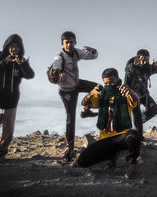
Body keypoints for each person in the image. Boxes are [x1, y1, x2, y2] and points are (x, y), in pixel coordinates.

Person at [77, 68, 141, 179]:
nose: (109, 85)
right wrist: (92, 93)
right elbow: (84, 103)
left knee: (134, 135)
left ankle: (131, 166)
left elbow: (135, 100)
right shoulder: (102, 95)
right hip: (105, 139)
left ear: (117, 78)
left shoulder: (124, 92)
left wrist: (130, 91)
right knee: (82, 161)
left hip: (122, 137)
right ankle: (112, 156)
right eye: (106, 83)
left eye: (111, 82)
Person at [0, 34, 35, 162]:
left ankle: (1, 153)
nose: (14, 49)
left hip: (12, 98)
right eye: (11, 46)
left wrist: (24, 65)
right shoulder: (0, 56)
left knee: (9, 128)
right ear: (7, 46)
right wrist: (5, 62)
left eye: (17, 46)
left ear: (20, 48)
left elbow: (30, 75)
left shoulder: (21, 61)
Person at [51, 31, 98, 161]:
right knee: (70, 119)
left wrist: (93, 51)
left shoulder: (77, 52)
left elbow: (93, 56)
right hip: (66, 90)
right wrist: (56, 71)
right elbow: (56, 64)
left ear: (75, 42)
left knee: (98, 88)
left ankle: (86, 110)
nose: (69, 44)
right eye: (66, 42)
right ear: (62, 44)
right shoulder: (59, 57)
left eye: (71, 42)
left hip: (76, 84)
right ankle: (69, 149)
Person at [124, 49, 157, 139]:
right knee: (136, 115)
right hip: (131, 96)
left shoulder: (148, 68)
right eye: (142, 59)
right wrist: (134, 63)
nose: (144, 62)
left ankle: (137, 124)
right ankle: (137, 133)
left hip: (144, 95)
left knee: (154, 110)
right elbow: (128, 73)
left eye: (146, 60)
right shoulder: (131, 67)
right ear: (137, 58)